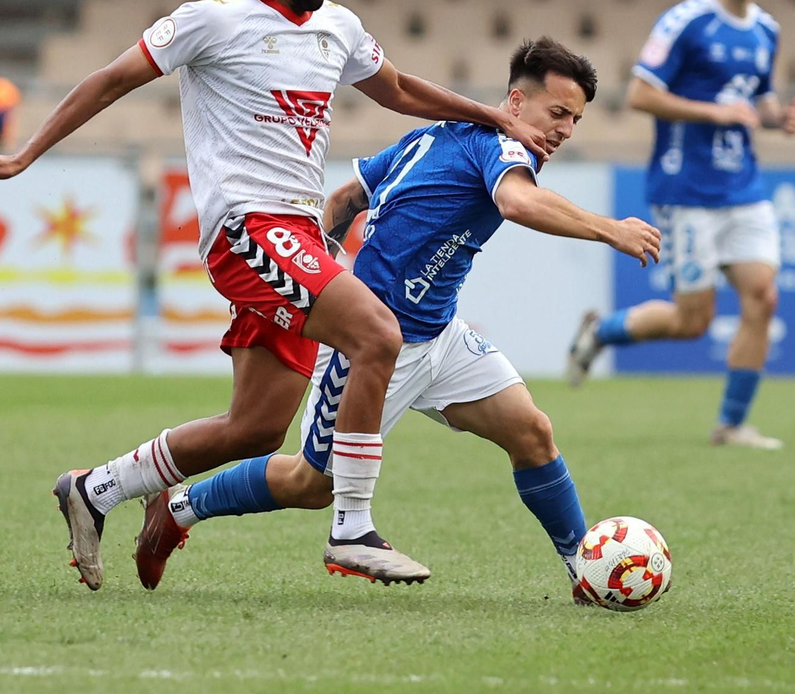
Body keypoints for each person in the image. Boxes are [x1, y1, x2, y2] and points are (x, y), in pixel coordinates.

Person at [0, 0, 548, 590]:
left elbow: (398, 90)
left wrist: (491, 115)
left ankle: (94, 490)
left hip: (298, 235)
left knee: (257, 428)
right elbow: (110, 81)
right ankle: (352, 527)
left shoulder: (339, 29)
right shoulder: (213, 20)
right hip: (247, 231)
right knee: (378, 335)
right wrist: (23, 155)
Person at [145, 37, 661, 600]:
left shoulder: (435, 134)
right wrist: (611, 228)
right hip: (371, 346)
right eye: (556, 113)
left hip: (440, 336)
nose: (563, 129)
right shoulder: (501, 146)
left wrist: (328, 244)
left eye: (575, 120)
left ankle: (582, 569)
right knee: (310, 483)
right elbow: (517, 203)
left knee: (533, 432)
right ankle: (178, 506)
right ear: (515, 103)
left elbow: (346, 197)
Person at [566, 0, 795, 450]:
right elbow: (640, 94)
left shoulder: (767, 30)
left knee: (762, 297)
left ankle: (731, 424)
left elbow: (757, 99)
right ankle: (601, 331)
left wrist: (776, 119)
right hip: (687, 190)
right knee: (692, 320)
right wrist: (713, 113)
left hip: (743, 186)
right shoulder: (685, 23)